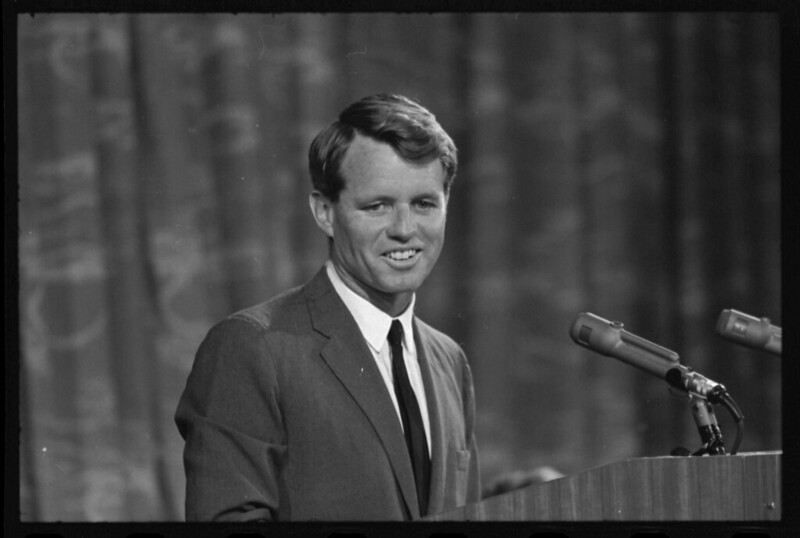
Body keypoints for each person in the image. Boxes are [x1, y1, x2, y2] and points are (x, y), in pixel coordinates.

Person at [175, 93, 481, 521]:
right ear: (324, 212)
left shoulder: (450, 362)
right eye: (378, 206)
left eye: (424, 203)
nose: (405, 229)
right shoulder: (252, 348)